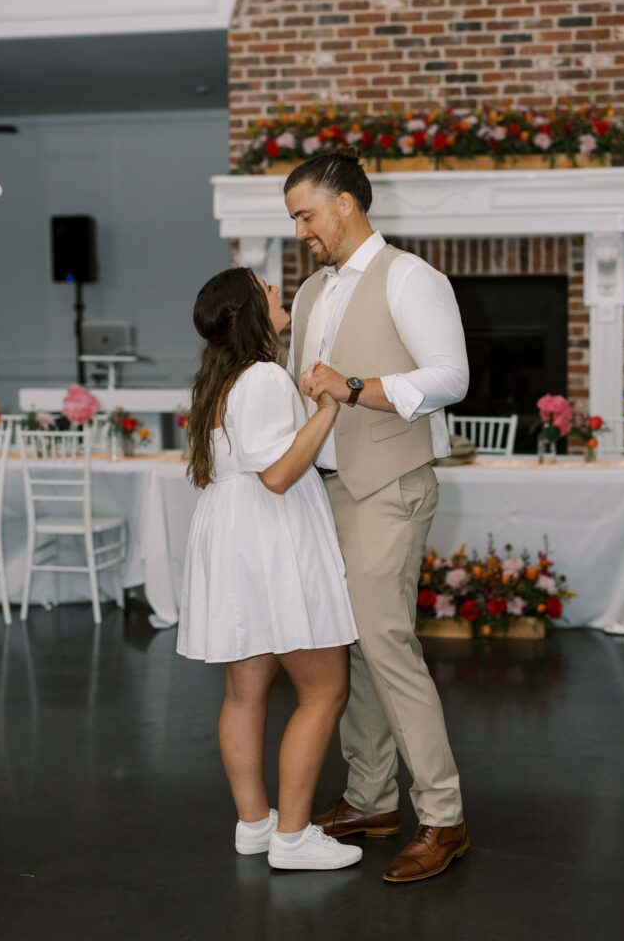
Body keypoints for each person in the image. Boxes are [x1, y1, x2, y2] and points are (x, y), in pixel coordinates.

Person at [284, 147, 471, 884]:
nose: (300, 230)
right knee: (349, 646)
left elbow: (450, 378)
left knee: (386, 647)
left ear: (346, 205)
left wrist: (356, 385)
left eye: (306, 214)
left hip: (389, 485)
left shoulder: (412, 278)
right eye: (294, 218)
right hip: (323, 490)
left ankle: (443, 816)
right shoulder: (309, 294)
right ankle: (369, 798)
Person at [177, 267, 361, 872]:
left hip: (233, 532)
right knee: (323, 689)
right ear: (252, 311)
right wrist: (329, 405)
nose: (279, 294)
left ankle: (254, 825)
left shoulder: (223, 378)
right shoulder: (260, 376)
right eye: (268, 290)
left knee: (244, 689)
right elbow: (279, 475)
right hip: (268, 534)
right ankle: (292, 836)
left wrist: (306, 406)